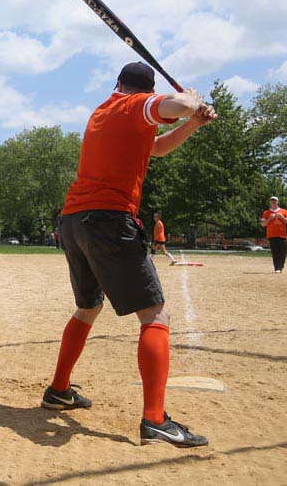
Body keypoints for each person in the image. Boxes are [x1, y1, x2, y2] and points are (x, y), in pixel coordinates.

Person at [41, 62, 217, 448]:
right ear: (142, 91)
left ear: (116, 83)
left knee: (88, 307)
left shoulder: (106, 112)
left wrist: (192, 123)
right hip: (108, 220)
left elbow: (155, 149)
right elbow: (171, 104)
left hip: (75, 220)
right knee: (156, 314)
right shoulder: (134, 106)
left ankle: (58, 390)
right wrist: (191, 101)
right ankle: (155, 421)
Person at [261, 196, 287, 273]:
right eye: (272, 201)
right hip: (272, 235)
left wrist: (282, 218)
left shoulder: (284, 211)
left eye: (275, 201)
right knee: (275, 252)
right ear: (270, 202)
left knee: (283, 252)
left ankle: (281, 266)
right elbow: (263, 224)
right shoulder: (266, 212)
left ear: (277, 202)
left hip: (282, 235)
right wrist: (269, 218)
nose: (273, 202)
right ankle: (277, 268)